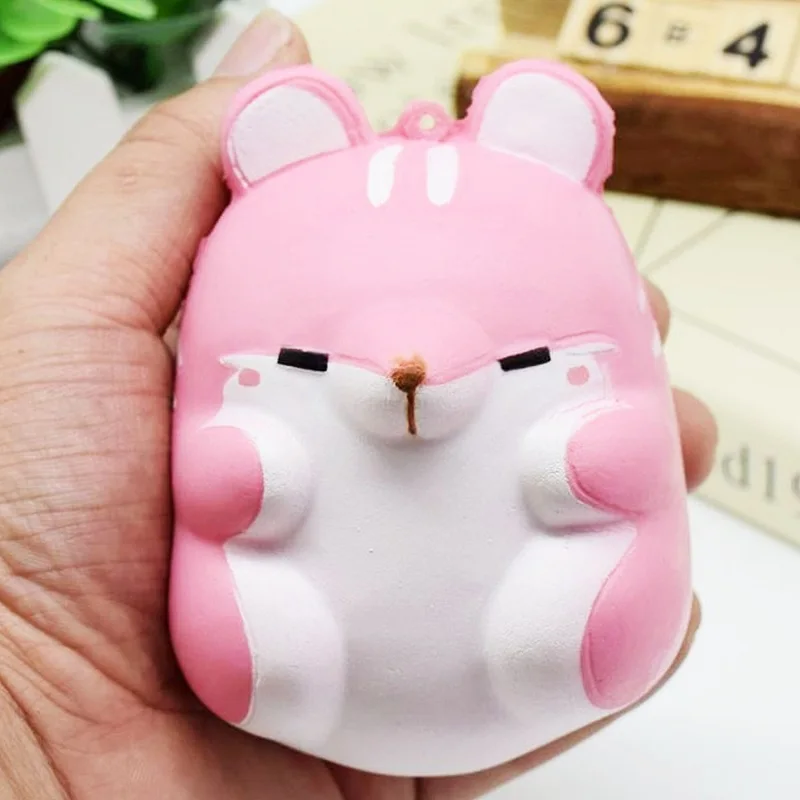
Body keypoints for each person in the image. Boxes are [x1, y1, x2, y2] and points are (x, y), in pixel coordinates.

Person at [0, 10, 717, 799]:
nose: (411, 365)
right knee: (242, 512)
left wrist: (595, 462)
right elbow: (218, 482)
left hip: (537, 636)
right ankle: (272, 650)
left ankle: (570, 630)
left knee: (605, 475)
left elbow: (629, 453)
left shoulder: (562, 289)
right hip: (287, 677)